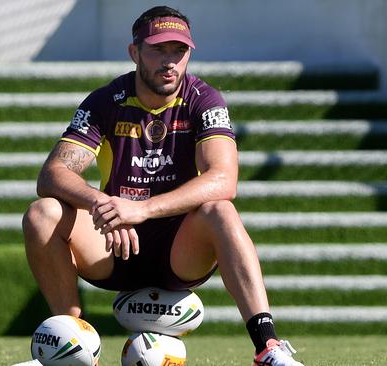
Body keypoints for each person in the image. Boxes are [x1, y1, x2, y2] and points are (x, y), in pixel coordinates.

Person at [22, 5, 304, 366]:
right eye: (158, 49)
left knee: (222, 210)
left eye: (179, 51)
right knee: (43, 212)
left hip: (180, 251)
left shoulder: (205, 100)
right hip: (114, 246)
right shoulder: (105, 101)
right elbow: (52, 174)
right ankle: (73, 343)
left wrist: (139, 209)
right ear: (134, 51)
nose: (170, 62)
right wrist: (102, 204)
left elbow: (224, 179)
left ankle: (268, 348)